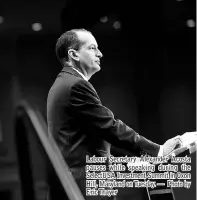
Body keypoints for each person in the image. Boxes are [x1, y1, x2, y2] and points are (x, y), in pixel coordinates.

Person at [47, 28, 181, 200]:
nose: (100, 53)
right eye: (92, 48)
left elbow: (96, 137)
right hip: (86, 184)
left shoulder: (64, 83)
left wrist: (140, 161)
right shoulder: (75, 85)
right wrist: (158, 151)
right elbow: (110, 127)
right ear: (74, 54)